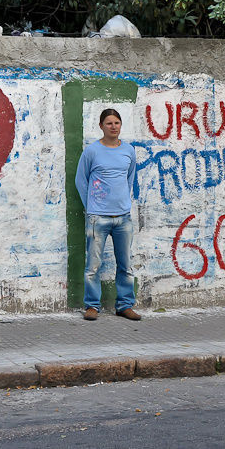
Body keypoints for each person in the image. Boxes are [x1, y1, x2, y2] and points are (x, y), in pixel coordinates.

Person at [74, 108, 141, 321]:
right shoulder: (92, 151)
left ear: (121, 125)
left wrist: (124, 201)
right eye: (109, 123)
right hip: (97, 217)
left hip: (123, 217)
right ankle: (92, 306)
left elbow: (129, 178)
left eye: (117, 123)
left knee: (125, 265)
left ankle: (125, 305)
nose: (113, 127)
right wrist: (91, 206)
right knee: (93, 266)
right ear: (101, 126)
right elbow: (80, 180)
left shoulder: (128, 150)